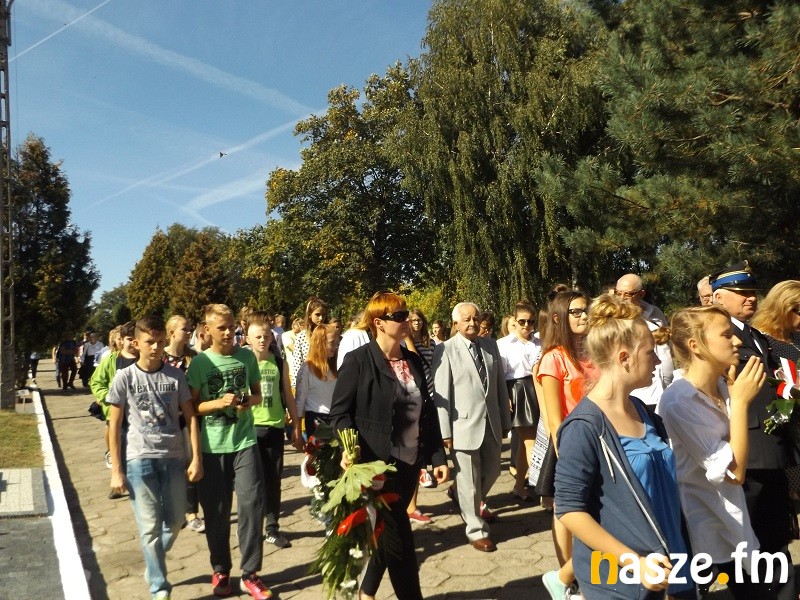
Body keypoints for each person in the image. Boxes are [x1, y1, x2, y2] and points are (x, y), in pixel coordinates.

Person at [556, 294, 694, 599]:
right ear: (624, 357)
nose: (658, 361)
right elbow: (569, 510)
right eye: (650, 352)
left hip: (671, 565)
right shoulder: (584, 427)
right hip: (623, 581)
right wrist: (634, 563)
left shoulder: (643, 411)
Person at [329, 291, 449, 600]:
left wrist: (437, 456)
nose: (406, 319)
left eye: (406, 313)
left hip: (409, 463)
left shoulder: (412, 360)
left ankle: (366, 592)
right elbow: (339, 413)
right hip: (377, 465)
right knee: (400, 538)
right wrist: (348, 446)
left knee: (388, 530)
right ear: (378, 323)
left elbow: (427, 412)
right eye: (398, 316)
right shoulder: (359, 361)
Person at [658, 305, 771, 598]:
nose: (736, 341)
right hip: (707, 525)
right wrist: (741, 404)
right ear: (695, 345)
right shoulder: (679, 401)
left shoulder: (723, 385)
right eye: (726, 334)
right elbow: (734, 473)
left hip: (735, 519)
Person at [709, 262, 797, 599]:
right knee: (749, 537)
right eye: (742, 293)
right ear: (718, 297)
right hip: (747, 446)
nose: (750, 298)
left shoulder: (756, 336)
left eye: (752, 292)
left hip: (772, 443)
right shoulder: (717, 335)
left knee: (776, 535)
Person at [107, 315, 202, 600]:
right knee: (149, 526)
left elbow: (191, 417)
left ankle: (153, 562)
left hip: (174, 456)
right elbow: (114, 425)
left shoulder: (176, 376)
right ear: (136, 343)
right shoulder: (125, 377)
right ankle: (159, 587)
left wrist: (196, 457)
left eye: (161, 342)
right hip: (139, 459)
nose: (156, 348)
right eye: (150, 342)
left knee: (175, 521)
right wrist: (116, 470)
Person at [186, 304, 270, 600]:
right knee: (217, 512)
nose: (227, 333)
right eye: (221, 328)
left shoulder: (246, 356)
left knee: (252, 505)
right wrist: (218, 403)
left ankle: (251, 574)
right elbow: (191, 407)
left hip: (245, 442)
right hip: (212, 446)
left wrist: (248, 400)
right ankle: (221, 569)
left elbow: (258, 394)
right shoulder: (200, 363)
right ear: (207, 330)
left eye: (231, 326)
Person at [433, 302, 511, 552]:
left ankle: (465, 497)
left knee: (493, 471)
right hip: (462, 425)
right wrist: (445, 431)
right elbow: (441, 393)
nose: (472, 323)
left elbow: (499, 387)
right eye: (466, 319)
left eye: (475, 318)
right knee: (468, 480)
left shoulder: (490, 346)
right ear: (455, 323)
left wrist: (505, 420)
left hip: (491, 422)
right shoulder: (445, 349)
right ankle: (476, 530)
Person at [538, 290, 597, 599]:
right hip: (570, 444)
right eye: (576, 311)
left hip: (601, 439)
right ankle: (566, 577)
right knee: (567, 510)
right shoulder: (554, 358)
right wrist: (566, 456)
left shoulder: (595, 352)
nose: (584, 315)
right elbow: (553, 418)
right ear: (559, 317)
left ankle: (580, 576)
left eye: (586, 309)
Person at [245, 310, 302, 550]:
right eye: (257, 336)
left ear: (272, 337)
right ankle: (251, 528)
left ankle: (272, 528)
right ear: (247, 339)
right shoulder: (243, 363)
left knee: (273, 481)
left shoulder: (279, 362)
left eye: (266, 336)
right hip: (250, 429)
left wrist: (296, 425)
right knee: (252, 483)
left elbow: (287, 394)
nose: (262, 340)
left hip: (275, 427)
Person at [163, 315, 204, 534]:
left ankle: (191, 513)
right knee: (169, 466)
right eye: (184, 329)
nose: (189, 333)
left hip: (188, 417)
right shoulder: (160, 357)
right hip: (165, 419)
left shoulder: (194, 357)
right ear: (171, 332)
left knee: (191, 462)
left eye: (190, 329)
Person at [497, 301, 542, 501]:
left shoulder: (540, 342)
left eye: (531, 322)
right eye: (522, 321)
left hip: (538, 389)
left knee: (526, 444)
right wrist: (504, 397)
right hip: (516, 391)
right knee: (531, 442)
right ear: (514, 321)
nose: (526, 326)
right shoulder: (503, 344)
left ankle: (519, 487)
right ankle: (545, 490)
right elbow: (500, 374)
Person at [91, 321, 138, 492]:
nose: (133, 343)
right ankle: (117, 480)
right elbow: (96, 382)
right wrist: (109, 397)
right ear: (122, 340)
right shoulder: (111, 360)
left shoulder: (145, 360)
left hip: (139, 416)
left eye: (136, 339)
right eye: (129, 339)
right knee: (118, 448)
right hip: (117, 415)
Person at [295, 323, 339, 438]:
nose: (335, 346)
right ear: (320, 343)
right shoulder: (307, 369)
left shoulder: (335, 367)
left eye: (337, 343)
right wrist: (297, 432)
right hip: (316, 420)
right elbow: (299, 401)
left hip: (334, 418)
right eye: (331, 343)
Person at [290, 297, 327, 387]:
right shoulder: (302, 336)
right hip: (308, 381)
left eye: (323, 315)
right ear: (310, 315)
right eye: (317, 315)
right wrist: (296, 385)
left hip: (327, 379)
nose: (321, 318)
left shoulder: (329, 335)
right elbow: (297, 363)